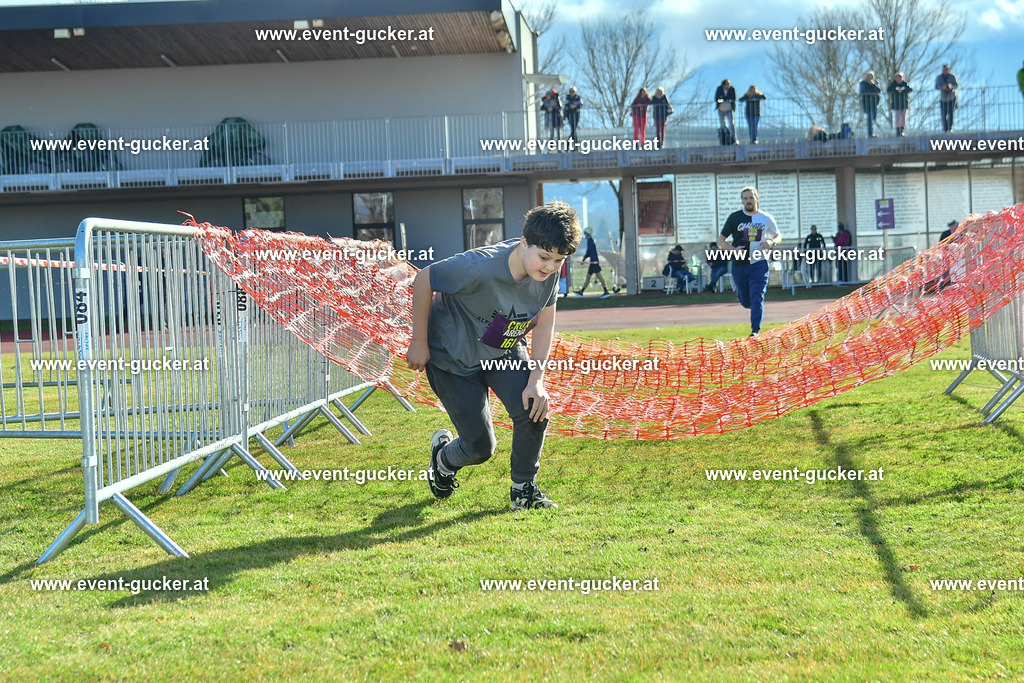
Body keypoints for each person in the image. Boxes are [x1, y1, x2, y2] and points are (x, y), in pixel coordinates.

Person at [406, 201, 581, 510]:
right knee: (480, 447)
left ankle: (524, 492)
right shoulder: (478, 266)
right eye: (544, 257)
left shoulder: (549, 272)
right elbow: (425, 279)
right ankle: (444, 459)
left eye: (559, 261)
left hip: (502, 350)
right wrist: (419, 341)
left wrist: (537, 381)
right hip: (451, 358)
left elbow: (545, 322)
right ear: (524, 242)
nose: (551, 268)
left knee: (533, 409)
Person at [717, 186, 781, 337]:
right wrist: (733, 250)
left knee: (757, 296)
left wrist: (772, 243)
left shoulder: (766, 218)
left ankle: (755, 331)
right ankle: (749, 305)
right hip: (739, 265)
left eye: (751, 198)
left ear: (757, 198)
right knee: (746, 301)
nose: (748, 201)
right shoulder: (735, 218)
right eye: (745, 198)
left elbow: (778, 236)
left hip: (759, 264)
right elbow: (721, 240)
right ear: (742, 201)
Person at [575, 227, 611, 298]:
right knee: (588, 277)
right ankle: (581, 292)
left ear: (587, 233)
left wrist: (583, 259)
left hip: (594, 263)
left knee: (598, 277)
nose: (584, 235)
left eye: (585, 233)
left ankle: (606, 291)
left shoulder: (590, 241)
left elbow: (588, 252)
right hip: (593, 262)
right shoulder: (591, 241)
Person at [887, 72, 912, 137]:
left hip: (904, 104)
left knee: (903, 118)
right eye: (898, 77)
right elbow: (889, 90)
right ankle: (898, 131)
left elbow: (910, 89)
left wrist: (903, 90)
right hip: (896, 104)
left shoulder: (905, 84)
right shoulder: (893, 84)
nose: (899, 79)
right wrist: (896, 90)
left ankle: (902, 130)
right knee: (897, 118)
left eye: (900, 77)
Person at [935, 64, 958, 133]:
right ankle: (945, 129)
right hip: (943, 98)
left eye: (947, 69)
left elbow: (956, 85)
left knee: (951, 114)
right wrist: (942, 87)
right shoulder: (939, 77)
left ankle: (950, 128)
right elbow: (936, 86)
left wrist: (950, 87)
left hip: (951, 97)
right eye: (944, 69)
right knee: (943, 114)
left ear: (949, 70)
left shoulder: (953, 76)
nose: (945, 71)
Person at [714, 79, 738, 144]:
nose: (728, 85)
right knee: (722, 125)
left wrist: (725, 99)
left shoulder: (732, 89)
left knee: (731, 124)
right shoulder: (719, 89)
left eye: (729, 84)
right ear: (723, 85)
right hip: (721, 109)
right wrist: (724, 100)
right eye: (727, 84)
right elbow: (717, 98)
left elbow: (733, 98)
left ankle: (734, 139)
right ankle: (723, 140)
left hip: (729, 109)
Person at [859, 71, 882, 137]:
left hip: (874, 104)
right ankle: (870, 133)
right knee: (869, 118)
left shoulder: (876, 83)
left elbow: (878, 90)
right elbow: (863, 91)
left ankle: (873, 132)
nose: (869, 78)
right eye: (868, 76)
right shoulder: (863, 83)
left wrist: (873, 85)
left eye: (871, 76)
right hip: (866, 104)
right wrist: (872, 93)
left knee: (873, 117)